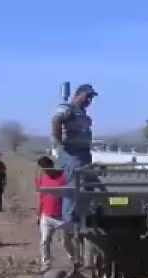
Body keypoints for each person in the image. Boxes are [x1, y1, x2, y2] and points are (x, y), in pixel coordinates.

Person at [51, 83, 97, 224]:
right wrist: (60, 140)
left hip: (84, 155)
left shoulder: (82, 112)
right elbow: (56, 120)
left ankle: (83, 217)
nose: (89, 100)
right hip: (72, 155)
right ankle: (69, 222)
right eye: (87, 97)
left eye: (91, 98)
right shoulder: (68, 108)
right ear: (77, 95)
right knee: (72, 188)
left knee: (88, 186)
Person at [35, 155, 78, 272]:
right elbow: (41, 197)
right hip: (47, 215)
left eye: (45, 168)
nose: (44, 170)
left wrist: (70, 214)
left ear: (51, 166)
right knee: (44, 241)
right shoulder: (42, 178)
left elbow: (71, 197)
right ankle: (46, 263)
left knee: (66, 241)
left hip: (62, 216)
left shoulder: (63, 177)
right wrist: (39, 214)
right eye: (42, 168)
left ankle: (74, 258)